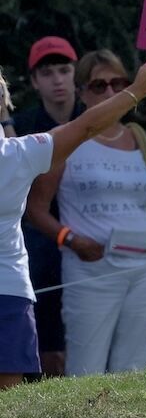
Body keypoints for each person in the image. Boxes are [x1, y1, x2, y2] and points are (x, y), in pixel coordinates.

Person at [0, 60, 146, 390]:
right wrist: (136, 90)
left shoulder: (16, 153)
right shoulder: (15, 155)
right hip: (9, 289)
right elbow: (85, 128)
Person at [10, 37, 83, 377]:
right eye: (47, 72)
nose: (57, 79)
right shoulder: (20, 127)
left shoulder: (97, 119)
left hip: (95, 243)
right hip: (38, 246)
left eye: (64, 70)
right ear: (34, 80)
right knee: (47, 344)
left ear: (75, 75)